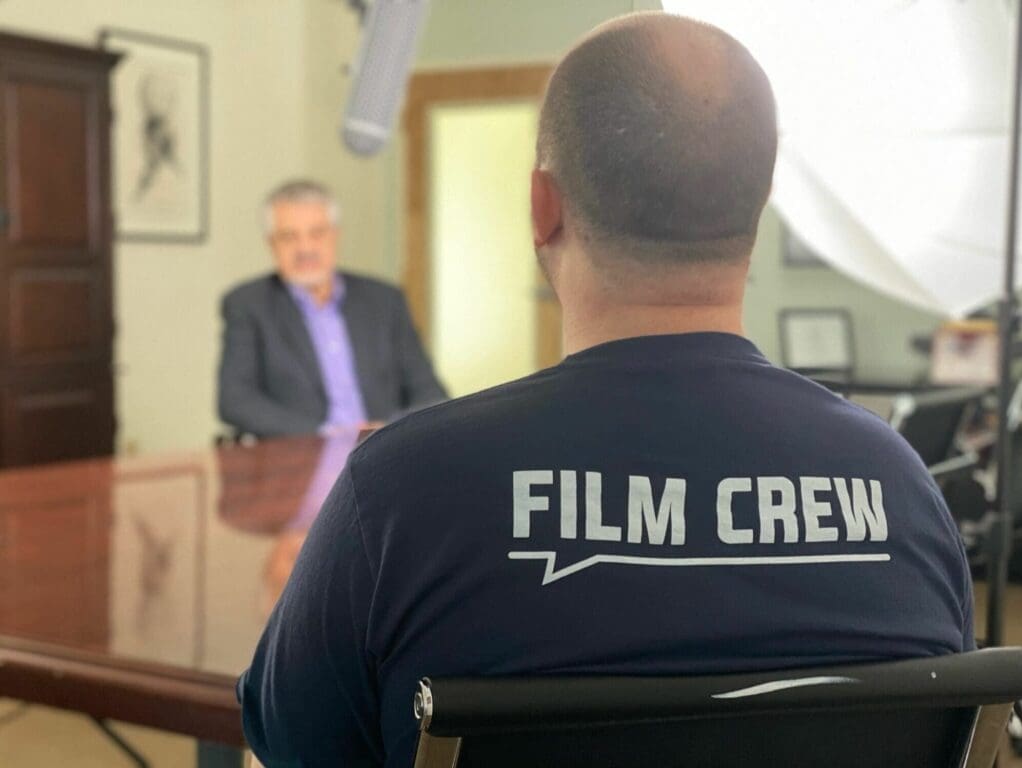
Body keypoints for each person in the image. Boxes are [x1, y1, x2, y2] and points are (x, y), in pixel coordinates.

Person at [238, 13, 974, 767]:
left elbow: (293, 746)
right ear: (756, 208)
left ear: (541, 207)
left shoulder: (397, 494)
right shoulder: (902, 487)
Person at [217, 180, 446, 437]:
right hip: (301, 458)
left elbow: (430, 393)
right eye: (289, 237)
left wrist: (388, 433)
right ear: (271, 244)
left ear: (335, 235)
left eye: (317, 233)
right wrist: (326, 435)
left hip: (383, 455)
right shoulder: (248, 304)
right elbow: (235, 400)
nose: (305, 249)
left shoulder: (384, 300)